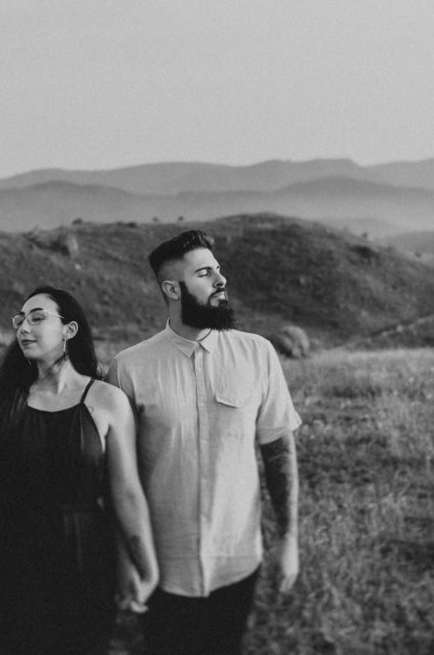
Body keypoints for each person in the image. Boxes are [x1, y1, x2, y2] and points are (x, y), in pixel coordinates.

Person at [106, 230, 302, 655]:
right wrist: (125, 560)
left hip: (237, 562)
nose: (220, 279)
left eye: (219, 269)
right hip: (161, 566)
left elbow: (278, 450)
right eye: (205, 272)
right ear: (172, 289)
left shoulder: (258, 354)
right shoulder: (128, 369)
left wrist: (288, 541)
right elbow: (116, 479)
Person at [0, 286, 159, 655]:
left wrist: (145, 565)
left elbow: (126, 492)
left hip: (86, 561)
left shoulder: (106, 401)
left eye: (37, 318)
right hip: (13, 562)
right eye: (20, 320)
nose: (24, 327)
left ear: (69, 330)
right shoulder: (7, 401)